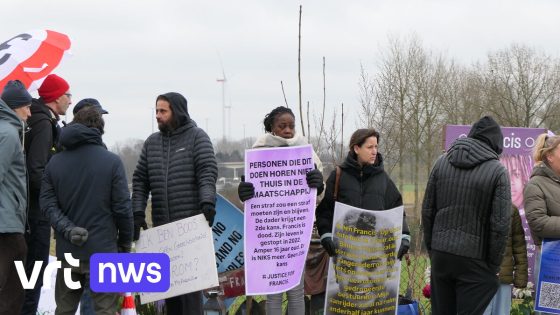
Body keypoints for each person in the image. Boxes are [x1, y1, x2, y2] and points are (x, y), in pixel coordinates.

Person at [39, 106, 133, 315]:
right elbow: (122, 209)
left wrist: (68, 229)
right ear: (100, 129)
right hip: (104, 252)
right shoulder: (111, 161)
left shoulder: (55, 162)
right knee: (104, 311)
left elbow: (47, 204)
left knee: (63, 310)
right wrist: (125, 245)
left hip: (68, 252)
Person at [132, 92, 218, 314]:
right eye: (156, 111)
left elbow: (207, 172)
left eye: (163, 111)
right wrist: (137, 212)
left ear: (176, 112)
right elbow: (140, 180)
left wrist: (207, 201)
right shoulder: (152, 143)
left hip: (189, 231)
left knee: (190, 298)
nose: (158, 115)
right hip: (163, 232)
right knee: (170, 295)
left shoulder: (197, 137)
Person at [237, 106, 324, 315]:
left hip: (295, 230)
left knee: (296, 290)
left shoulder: (305, 151)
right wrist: (245, 193)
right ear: (272, 128)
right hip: (269, 233)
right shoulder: (259, 152)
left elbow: (318, 194)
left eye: (291, 126)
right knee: (273, 291)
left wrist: (318, 184)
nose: (288, 130)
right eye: (282, 126)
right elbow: (251, 197)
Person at [422, 116, 511, 315]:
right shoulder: (498, 171)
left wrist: (433, 250)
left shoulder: (441, 162)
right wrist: (493, 265)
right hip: (475, 260)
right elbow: (500, 225)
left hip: (441, 254)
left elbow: (427, 211)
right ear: (496, 144)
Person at [315, 128, 410, 259]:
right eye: (369, 147)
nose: (374, 151)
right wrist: (325, 235)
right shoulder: (338, 176)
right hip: (344, 256)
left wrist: (405, 236)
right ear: (356, 149)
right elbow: (325, 211)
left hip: (375, 258)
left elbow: (397, 211)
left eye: (376, 147)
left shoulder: (384, 180)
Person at [21, 73, 72, 315]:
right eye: (68, 95)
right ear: (56, 98)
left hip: (28, 211)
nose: (70, 100)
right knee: (32, 276)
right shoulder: (43, 124)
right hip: (36, 213)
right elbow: (36, 169)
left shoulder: (38, 119)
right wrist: (51, 197)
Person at [71, 97, 109, 315]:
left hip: (71, 228)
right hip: (94, 229)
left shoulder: (66, 147)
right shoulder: (99, 152)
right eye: (98, 116)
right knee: (92, 288)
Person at [326, 210, 398, 315]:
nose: (359, 279)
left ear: (390, 266)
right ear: (336, 269)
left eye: (372, 266)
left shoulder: (396, 303)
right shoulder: (329, 305)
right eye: (347, 267)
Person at [0, 80, 32, 314]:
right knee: (12, 293)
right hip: (7, 225)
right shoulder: (9, 134)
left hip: (8, 221)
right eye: (26, 107)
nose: (30, 112)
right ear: (15, 107)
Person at [523, 133, 560, 315]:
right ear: (549, 156)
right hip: (551, 262)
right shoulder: (535, 184)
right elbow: (539, 223)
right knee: (550, 312)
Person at [483, 205, 528, 315]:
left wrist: (520, 277)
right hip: (478, 276)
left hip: (503, 278)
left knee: (502, 312)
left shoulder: (511, 210)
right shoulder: (474, 206)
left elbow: (519, 247)